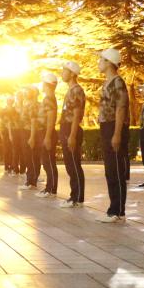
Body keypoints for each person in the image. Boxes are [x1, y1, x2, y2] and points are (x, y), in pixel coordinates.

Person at [97, 48, 129, 222]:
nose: (99, 63)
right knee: (110, 171)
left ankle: (118, 211)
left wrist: (117, 134)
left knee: (116, 170)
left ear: (109, 62)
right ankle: (114, 209)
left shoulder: (117, 82)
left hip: (114, 127)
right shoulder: (107, 82)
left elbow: (121, 108)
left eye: (101, 59)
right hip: (106, 127)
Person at [58, 61, 85, 208]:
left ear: (72, 73)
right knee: (70, 165)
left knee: (74, 164)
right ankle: (74, 196)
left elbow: (76, 114)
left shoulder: (77, 90)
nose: (62, 73)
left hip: (71, 129)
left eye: (65, 70)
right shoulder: (70, 90)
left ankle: (77, 198)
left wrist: (72, 135)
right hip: (66, 129)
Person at [35, 73, 59, 198]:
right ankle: (49, 188)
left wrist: (48, 137)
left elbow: (51, 118)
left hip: (47, 132)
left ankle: (51, 190)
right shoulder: (48, 97)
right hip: (44, 132)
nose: (41, 85)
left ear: (47, 84)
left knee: (49, 162)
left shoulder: (49, 98)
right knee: (46, 161)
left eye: (43, 83)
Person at [20, 86, 41, 191]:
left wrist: (32, 137)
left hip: (30, 133)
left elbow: (33, 121)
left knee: (31, 157)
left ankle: (31, 182)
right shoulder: (27, 104)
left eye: (27, 91)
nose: (25, 92)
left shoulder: (33, 105)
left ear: (32, 93)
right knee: (30, 157)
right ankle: (31, 180)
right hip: (26, 132)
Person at [0, 96, 16, 175]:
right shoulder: (3, 110)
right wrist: (1, 132)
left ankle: (12, 166)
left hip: (14, 131)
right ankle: (7, 166)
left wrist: (11, 134)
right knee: (6, 150)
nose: (10, 102)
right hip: (5, 132)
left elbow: (13, 122)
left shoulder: (14, 110)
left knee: (13, 150)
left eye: (11, 100)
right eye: (8, 100)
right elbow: (1, 122)